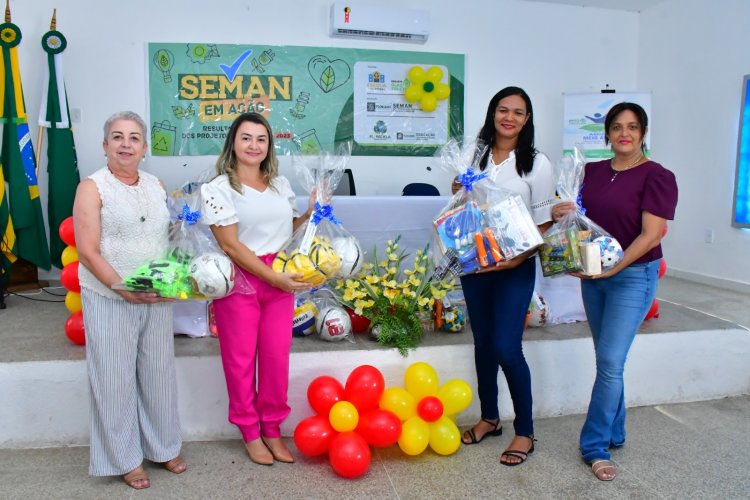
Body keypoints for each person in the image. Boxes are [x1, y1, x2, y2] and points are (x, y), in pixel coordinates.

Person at [552, 102, 678, 481]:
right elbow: (580, 220)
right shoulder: (590, 172)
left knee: (609, 362)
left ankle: (594, 446)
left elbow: (651, 234)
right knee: (608, 359)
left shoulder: (657, 176)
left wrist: (613, 268)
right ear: (606, 133)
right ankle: (616, 430)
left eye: (633, 127)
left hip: (633, 275)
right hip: (595, 276)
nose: (625, 133)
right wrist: (562, 213)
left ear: (643, 133)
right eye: (618, 127)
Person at [73, 111, 186, 490]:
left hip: (155, 293)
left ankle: (163, 446)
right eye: (117, 137)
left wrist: (187, 225)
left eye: (134, 138)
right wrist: (121, 286)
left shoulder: (156, 184)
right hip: (109, 295)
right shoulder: (92, 187)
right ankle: (124, 457)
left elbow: (165, 235)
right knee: (114, 378)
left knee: (158, 375)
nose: (126, 144)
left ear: (144, 147)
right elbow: (87, 251)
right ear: (105, 145)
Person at [201, 112, 314, 466]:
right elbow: (231, 246)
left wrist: (313, 211)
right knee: (240, 360)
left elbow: (287, 230)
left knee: (276, 359)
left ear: (269, 145)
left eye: (261, 139)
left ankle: (272, 428)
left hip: (280, 275)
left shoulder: (280, 185)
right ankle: (250, 431)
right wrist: (273, 278)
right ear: (233, 142)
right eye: (246, 137)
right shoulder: (218, 188)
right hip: (241, 279)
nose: (254, 145)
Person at [454, 87, 555, 466]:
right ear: (493, 113)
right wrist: (459, 188)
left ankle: (525, 431)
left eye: (518, 112)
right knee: (482, 343)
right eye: (503, 110)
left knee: (507, 346)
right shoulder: (474, 153)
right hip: (475, 262)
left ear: (527, 119)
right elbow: (458, 198)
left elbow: (544, 223)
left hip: (515, 266)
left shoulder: (536, 163)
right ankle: (489, 418)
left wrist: (517, 260)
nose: (509, 117)